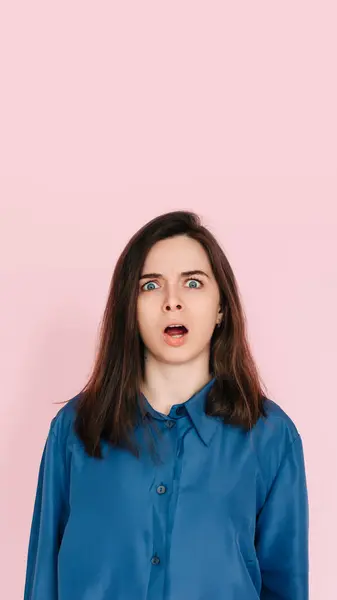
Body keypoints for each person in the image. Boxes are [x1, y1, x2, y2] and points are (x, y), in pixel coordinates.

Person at [23, 210, 309, 600]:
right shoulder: (75, 428)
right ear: (130, 307)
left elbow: (285, 585)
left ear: (221, 308)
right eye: (150, 286)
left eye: (193, 283)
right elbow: (44, 580)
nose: (172, 302)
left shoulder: (271, 435)